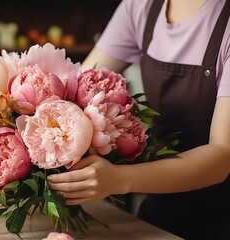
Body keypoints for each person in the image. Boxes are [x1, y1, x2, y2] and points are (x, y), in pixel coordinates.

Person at [46, 0, 230, 239]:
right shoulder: (142, 6)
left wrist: (119, 179)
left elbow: (222, 155)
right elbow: (77, 88)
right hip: (161, 209)